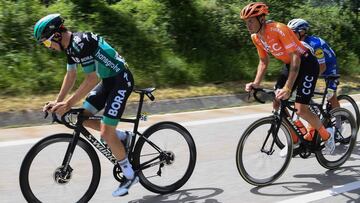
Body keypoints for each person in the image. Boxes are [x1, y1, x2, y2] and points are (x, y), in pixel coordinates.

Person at [34, 13, 138, 196]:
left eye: (48, 43)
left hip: (121, 80)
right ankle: (122, 138)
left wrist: (67, 104)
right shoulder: (70, 48)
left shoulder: (80, 43)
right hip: (107, 82)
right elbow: (71, 76)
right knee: (83, 118)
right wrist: (58, 102)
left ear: (57, 35)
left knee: (106, 132)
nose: (49, 47)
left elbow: (91, 79)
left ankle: (130, 174)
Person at [240, 2, 335, 154]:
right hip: (290, 64)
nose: (248, 25)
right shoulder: (256, 38)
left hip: (306, 63)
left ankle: (326, 135)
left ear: (262, 19)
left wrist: (288, 87)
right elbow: (263, 61)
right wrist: (256, 83)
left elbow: (296, 58)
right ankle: (296, 141)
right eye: (246, 22)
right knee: (277, 103)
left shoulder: (279, 29)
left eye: (251, 21)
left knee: (301, 109)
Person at [287, 18, 340, 109]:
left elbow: (322, 67)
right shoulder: (296, 43)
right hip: (316, 64)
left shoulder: (315, 44)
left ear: (302, 32)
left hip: (329, 65)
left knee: (330, 95)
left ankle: (340, 117)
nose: (290, 35)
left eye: (293, 32)